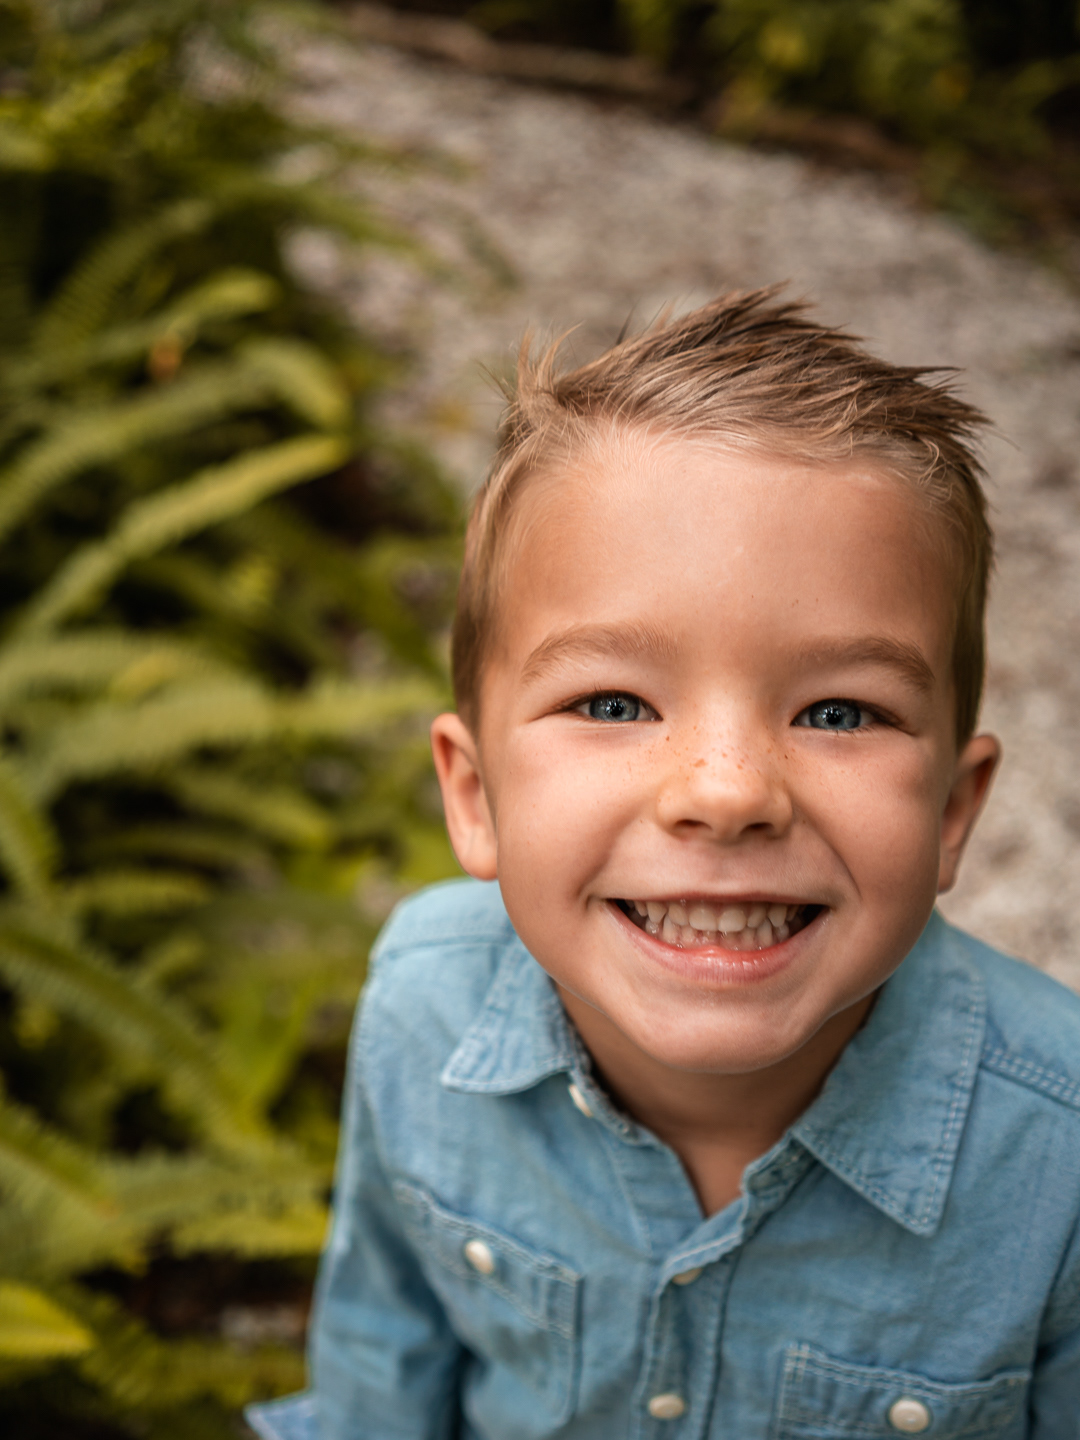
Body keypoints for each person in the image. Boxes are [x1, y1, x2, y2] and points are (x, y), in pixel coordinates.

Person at [248, 290, 1080, 1439]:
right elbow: (375, 1390)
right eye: (613, 701)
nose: (728, 790)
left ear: (954, 809)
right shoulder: (422, 1006)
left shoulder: (1061, 1160)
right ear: (475, 795)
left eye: (840, 710)